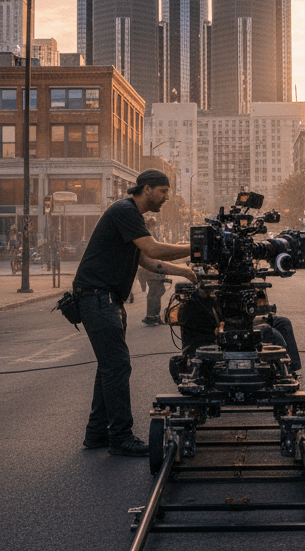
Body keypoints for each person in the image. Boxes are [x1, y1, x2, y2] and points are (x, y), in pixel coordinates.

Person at [73, 169, 197, 456]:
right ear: (147, 189)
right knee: (117, 366)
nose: (167, 197)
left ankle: (96, 433)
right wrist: (199, 247)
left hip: (105, 298)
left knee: (109, 367)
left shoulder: (131, 216)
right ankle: (120, 437)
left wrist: (186, 272)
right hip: (97, 297)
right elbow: (153, 248)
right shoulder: (125, 210)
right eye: (164, 191)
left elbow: (148, 260)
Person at [141, 217, 170, 325]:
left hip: (152, 269)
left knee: (156, 292)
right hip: (153, 270)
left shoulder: (147, 235)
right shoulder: (150, 236)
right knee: (156, 292)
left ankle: (152, 315)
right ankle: (152, 316)